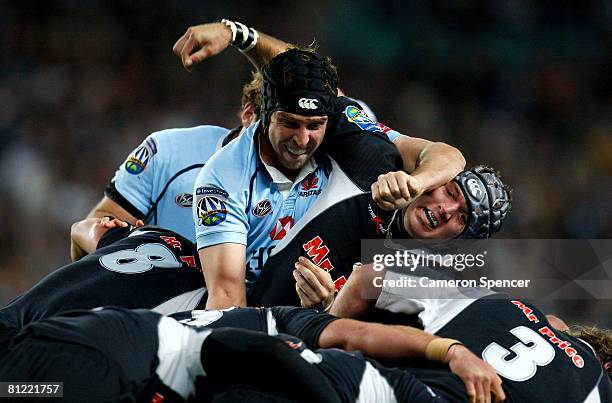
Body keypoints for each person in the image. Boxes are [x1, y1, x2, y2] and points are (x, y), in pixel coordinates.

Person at [175, 21, 465, 309]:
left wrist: (415, 183)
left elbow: (447, 156)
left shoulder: (349, 127)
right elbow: (228, 301)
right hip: (263, 314)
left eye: (315, 126)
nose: (302, 140)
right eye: (290, 124)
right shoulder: (223, 179)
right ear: (266, 114)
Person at [0, 303, 504, 402]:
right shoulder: (281, 324)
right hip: (110, 365)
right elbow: (356, 336)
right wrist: (449, 349)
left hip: (45, 360)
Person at [327, 258, 612, 402]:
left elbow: (368, 278)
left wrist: (319, 325)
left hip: (345, 376)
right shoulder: (592, 386)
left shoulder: (489, 297)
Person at [257, 165, 511, 308]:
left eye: (463, 218)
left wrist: (327, 310)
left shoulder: (425, 294)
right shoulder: (374, 171)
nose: (447, 210)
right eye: (451, 192)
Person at [73, 72, 264, 260]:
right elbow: (84, 246)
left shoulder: (293, 192)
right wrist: (125, 242)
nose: (294, 141)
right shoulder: (168, 151)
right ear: (249, 115)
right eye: (281, 122)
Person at [0, 216, 207, 332]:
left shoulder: (156, 234)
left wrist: (104, 227)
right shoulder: (211, 300)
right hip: (46, 352)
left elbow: (80, 228)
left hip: (13, 319)